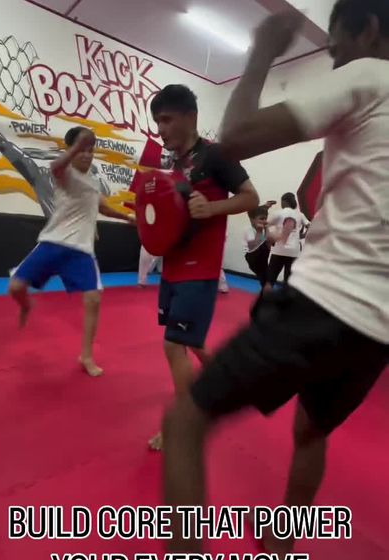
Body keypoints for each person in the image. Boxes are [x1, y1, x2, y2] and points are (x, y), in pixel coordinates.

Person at [162, 3, 389, 558]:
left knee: (185, 419)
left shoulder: (370, 74)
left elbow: (235, 137)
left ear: (367, 30)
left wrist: (262, 50)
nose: (334, 58)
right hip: (379, 330)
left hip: (328, 298)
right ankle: (279, 549)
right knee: (312, 431)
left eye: (335, 46)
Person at [149, 85, 259, 450]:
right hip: (173, 266)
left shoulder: (216, 155)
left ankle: (184, 426)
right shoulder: (173, 164)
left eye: (167, 119)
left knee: (173, 345)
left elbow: (251, 197)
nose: (161, 129)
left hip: (200, 269)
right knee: (189, 340)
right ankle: (226, 379)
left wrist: (211, 208)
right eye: (157, 121)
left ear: (190, 117)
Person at [9, 127, 135, 377]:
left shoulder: (94, 182)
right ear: (70, 150)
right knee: (15, 288)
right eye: (81, 150)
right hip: (52, 242)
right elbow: (55, 167)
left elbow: (103, 208)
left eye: (90, 150)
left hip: (81, 249)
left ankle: (86, 355)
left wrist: (128, 218)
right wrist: (76, 147)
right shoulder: (65, 173)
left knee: (93, 299)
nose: (87, 155)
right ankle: (26, 306)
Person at [265, 192, 310, 289]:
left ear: (284, 202)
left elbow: (265, 225)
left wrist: (270, 236)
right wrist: (302, 235)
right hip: (293, 252)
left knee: (270, 279)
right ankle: (285, 297)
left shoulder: (278, 213)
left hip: (279, 250)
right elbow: (310, 226)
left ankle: (264, 297)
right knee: (288, 282)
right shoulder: (300, 215)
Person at [244, 205, 270, 290]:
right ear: (252, 220)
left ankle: (265, 292)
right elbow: (253, 247)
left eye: (265, 219)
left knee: (267, 281)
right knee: (265, 280)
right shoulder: (249, 230)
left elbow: (268, 244)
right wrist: (259, 232)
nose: (264, 221)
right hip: (253, 258)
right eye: (261, 219)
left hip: (262, 258)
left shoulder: (262, 229)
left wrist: (266, 229)